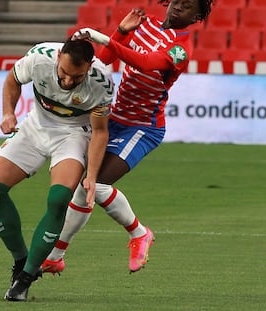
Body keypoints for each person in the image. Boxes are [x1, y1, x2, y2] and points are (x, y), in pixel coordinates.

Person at [41, 0, 214, 275]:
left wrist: (101, 37)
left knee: (94, 185)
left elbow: (144, 62)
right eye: (177, 1)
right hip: (111, 119)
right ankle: (55, 257)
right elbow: (105, 62)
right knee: (85, 187)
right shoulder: (145, 25)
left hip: (142, 127)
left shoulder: (181, 50)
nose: (179, 7)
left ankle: (139, 233)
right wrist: (120, 32)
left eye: (188, 6)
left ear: (198, 16)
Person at [0, 39, 113, 301]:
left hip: (73, 135)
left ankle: (27, 277)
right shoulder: (39, 58)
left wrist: (92, 177)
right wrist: (8, 113)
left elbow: (99, 132)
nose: (66, 82)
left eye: (76, 76)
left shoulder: (101, 83)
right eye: (63, 73)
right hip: (35, 125)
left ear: (89, 67)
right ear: (58, 56)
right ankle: (21, 261)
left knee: (59, 198)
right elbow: (12, 80)